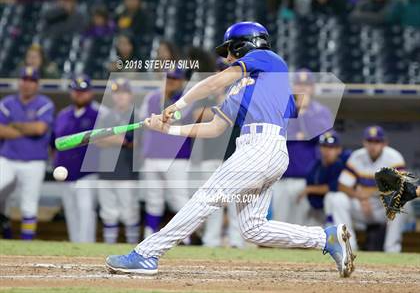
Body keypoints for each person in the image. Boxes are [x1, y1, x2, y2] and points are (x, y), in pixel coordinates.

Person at [106, 22, 355, 278]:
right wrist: (167, 129)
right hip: (258, 150)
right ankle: (325, 238)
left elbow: (216, 81)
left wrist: (178, 104)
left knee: (206, 197)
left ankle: (148, 253)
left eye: (229, 51)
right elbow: (214, 128)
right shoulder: (240, 89)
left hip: (262, 147)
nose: (226, 58)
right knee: (253, 229)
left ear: (244, 44)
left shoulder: (268, 59)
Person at [324, 126, 410, 252]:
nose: (373, 145)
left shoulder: (394, 157)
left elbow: (403, 188)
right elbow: (342, 186)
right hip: (362, 207)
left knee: (402, 204)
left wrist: (371, 193)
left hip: (383, 209)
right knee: (336, 198)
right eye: (370, 141)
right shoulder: (357, 156)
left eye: (377, 142)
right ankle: (349, 247)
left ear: (384, 143)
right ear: (364, 142)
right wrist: (359, 196)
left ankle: (392, 249)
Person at [270, 69, 333, 225]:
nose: (303, 88)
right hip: (282, 178)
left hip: (308, 180)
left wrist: (303, 114)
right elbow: (279, 136)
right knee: (280, 224)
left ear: (312, 88)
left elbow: (322, 138)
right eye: (299, 84)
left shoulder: (321, 112)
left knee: (306, 226)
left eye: (306, 85)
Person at [194, 57, 244, 248]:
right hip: (210, 157)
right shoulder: (206, 93)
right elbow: (197, 115)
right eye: (219, 70)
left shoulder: (239, 93)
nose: (221, 73)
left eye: (225, 70)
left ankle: (236, 241)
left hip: (235, 156)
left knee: (236, 201)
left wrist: (221, 105)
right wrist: (221, 103)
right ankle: (211, 241)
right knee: (212, 201)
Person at [0, 67, 54, 240]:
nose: (27, 84)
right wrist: (27, 128)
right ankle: (7, 234)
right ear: (19, 82)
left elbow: (39, 129)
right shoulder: (7, 102)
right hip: (7, 158)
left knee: (29, 204)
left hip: (34, 161)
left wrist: (14, 126)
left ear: (37, 84)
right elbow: (1, 131)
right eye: (24, 79)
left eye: (31, 80)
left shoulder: (45, 103)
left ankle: (26, 242)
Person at [139, 68, 192, 240]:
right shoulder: (151, 97)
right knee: (153, 199)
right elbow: (142, 121)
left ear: (182, 80)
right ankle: (149, 234)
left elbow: (176, 116)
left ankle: (186, 238)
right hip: (152, 156)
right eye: (168, 78)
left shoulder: (186, 99)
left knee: (179, 199)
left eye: (175, 79)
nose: (171, 81)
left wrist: (158, 119)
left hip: (177, 158)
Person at [52, 75, 100, 243]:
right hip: (65, 171)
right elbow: (54, 142)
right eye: (77, 91)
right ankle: (75, 245)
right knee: (71, 212)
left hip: (87, 172)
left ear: (90, 92)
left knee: (86, 210)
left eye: (83, 91)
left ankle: (87, 246)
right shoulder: (63, 115)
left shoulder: (98, 113)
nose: (80, 94)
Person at [96, 79, 140, 244]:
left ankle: (133, 247)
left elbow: (135, 142)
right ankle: (109, 246)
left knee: (129, 213)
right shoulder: (106, 115)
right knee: (108, 213)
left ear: (130, 95)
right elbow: (97, 140)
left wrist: (112, 139)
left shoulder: (137, 115)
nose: (120, 97)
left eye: (124, 93)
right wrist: (120, 140)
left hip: (127, 172)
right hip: (106, 171)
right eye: (117, 93)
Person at [296, 131, 351, 226]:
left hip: (341, 207)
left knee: (334, 198)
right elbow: (308, 182)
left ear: (339, 149)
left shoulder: (342, 164)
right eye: (324, 146)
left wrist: (309, 189)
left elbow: (335, 187)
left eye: (331, 147)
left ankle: (346, 239)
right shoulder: (316, 165)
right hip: (318, 210)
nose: (327, 151)